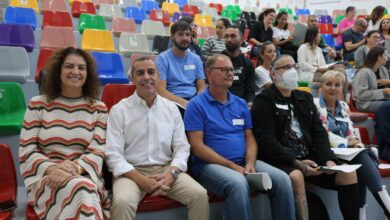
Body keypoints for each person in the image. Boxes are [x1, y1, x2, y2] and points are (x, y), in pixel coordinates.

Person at [184, 54, 296, 220]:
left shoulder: (241, 103)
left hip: (243, 163)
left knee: (283, 179)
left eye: (231, 70)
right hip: (209, 166)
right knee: (237, 183)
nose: (230, 73)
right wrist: (230, 165)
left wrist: (250, 163)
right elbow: (197, 147)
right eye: (224, 70)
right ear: (208, 73)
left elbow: (249, 138)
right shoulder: (196, 105)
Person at [251, 54, 361, 220]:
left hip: (309, 156)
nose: (292, 71)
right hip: (281, 159)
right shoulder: (263, 100)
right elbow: (267, 141)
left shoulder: (305, 98)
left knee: (348, 174)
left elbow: (319, 134)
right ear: (273, 74)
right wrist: (296, 163)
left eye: (293, 67)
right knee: (296, 176)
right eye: (286, 67)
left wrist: (328, 160)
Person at [105, 57, 209, 220]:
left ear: (158, 76)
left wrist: (171, 174)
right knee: (123, 202)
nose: (147, 77)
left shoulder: (171, 109)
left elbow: (182, 147)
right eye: (140, 73)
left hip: (166, 169)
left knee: (200, 195)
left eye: (151, 72)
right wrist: (141, 180)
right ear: (131, 79)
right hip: (131, 172)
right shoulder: (119, 110)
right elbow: (113, 155)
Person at [19, 47, 110, 219]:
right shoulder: (38, 104)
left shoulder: (99, 108)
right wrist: (53, 168)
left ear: (88, 74)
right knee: (84, 191)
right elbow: (27, 150)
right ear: (58, 71)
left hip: (84, 173)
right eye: (69, 66)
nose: (75, 71)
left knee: (83, 188)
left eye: (81, 68)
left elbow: (98, 150)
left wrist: (74, 168)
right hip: (48, 178)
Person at [314, 70, 390, 219]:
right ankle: (387, 206)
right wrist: (347, 142)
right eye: (328, 84)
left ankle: (363, 216)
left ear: (341, 88)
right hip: (326, 153)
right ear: (321, 87)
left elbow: (349, 132)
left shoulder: (343, 106)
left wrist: (354, 142)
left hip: (347, 153)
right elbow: (321, 134)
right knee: (360, 156)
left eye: (337, 85)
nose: (332, 88)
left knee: (359, 158)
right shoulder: (314, 105)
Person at [156, 21, 206, 109]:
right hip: (171, 101)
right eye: (180, 34)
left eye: (187, 35)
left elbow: (202, 87)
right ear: (172, 36)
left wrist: (196, 102)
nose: (185, 38)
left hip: (194, 100)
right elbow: (161, 90)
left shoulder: (196, 58)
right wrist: (184, 103)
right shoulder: (162, 58)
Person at [221, 26, 255, 106]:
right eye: (226, 36)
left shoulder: (248, 63)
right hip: (222, 103)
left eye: (233, 36)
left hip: (242, 104)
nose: (229, 40)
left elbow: (250, 90)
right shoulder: (217, 61)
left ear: (242, 39)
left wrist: (249, 102)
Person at [352, 46, 390, 113]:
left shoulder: (383, 69)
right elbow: (361, 95)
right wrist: (383, 91)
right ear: (379, 57)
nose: (387, 58)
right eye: (386, 56)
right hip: (365, 104)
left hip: (380, 99)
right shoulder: (364, 72)